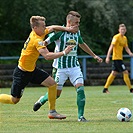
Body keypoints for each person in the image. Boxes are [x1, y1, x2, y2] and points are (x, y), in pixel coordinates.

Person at [0, 15, 77, 119]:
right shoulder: (36, 40)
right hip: (21, 73)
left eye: (45, 26)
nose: (45, 28)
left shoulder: (40, 32)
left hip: (32, 70)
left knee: (52, 84)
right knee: (14, 100)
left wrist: (67, 29)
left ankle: (52, 112)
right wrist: (64, 52)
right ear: (35, 28)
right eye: (43, 26)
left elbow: (53, 28)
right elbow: (47, 56)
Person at [33, 11, 103, 122]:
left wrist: (94, 55)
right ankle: (42, 100)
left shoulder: (77, 32)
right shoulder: (59, 32)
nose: (78, 25)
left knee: (80, 89)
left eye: (79, 22)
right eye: (76, 22)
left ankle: (81, 117)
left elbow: (82, 44)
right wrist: (40, 48)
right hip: (60, 68)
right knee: (56, 94)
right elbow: (45, 42)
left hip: (74, 66)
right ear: (69, 22)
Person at [103, 24, 133, 93]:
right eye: (122, 29)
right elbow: (111, 47)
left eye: (124, 29)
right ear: (119, 30)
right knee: (125, 71)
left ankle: (105, 88)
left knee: (113, 73)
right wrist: (108, 57)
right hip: (116, 58)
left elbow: (126, 47)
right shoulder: (116, 37)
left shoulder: (125, 38)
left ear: (125, 30)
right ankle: (131, 89)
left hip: (120, 58)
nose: (123, 31)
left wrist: (130, 53)